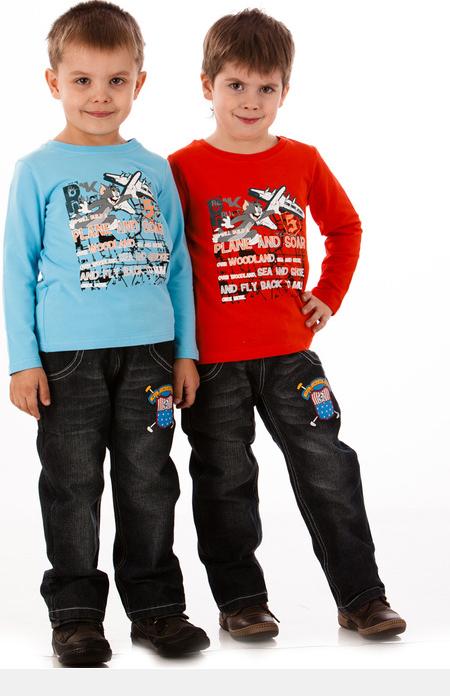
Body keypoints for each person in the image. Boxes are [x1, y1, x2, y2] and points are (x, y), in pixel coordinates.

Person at [168, 8, 406, 642]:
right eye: (235, 85)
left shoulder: (302, 159)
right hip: (213, 362)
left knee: (330, 470)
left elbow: (345, 227)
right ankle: (241, 602)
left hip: (291, 356)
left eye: (265, 87)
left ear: (285, 92)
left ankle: (363, 598)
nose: (251, 101)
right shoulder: (181, 168)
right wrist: (180, 353)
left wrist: (328, 295)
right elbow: (166, 266)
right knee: (224, 482)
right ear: (207, 85)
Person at [3, 0, 209, 665]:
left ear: (138, 83)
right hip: (67, 360)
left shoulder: (155, 168)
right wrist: (22, 360)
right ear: (53, 82)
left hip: (151, 355)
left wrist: (185, 353)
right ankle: (76, 617)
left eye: (116, 80)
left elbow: (178, 266)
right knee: (72, 485)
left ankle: (156, 610)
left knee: (149, 481)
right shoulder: (37, 169)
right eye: (83, 80)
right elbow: (17, 269)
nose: (100, 95)